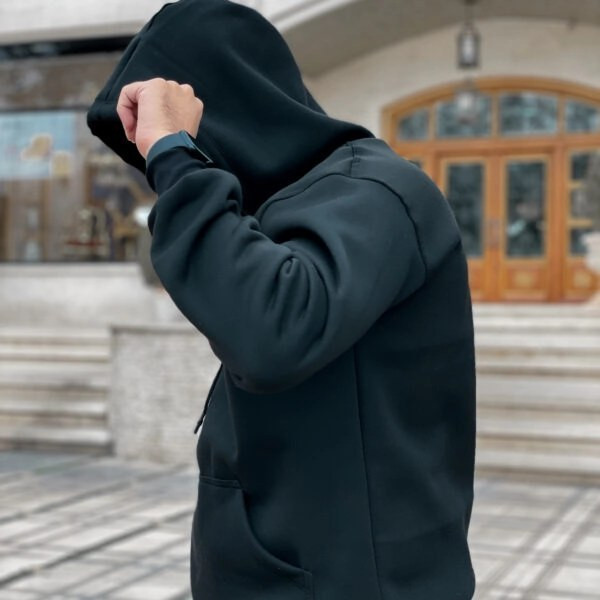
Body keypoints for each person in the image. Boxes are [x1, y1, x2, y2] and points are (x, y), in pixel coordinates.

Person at [86, 1, 477, 598]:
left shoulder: (374, 190)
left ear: (232, 107)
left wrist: (176, 155)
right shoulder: (293, 207)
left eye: (191, 142)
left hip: (352, 582)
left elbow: (270, 333)